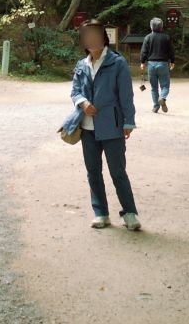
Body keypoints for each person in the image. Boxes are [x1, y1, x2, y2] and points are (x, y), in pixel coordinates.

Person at [71, 19, 141, 230]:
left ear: (104, 38)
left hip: (113, 127)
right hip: (87, 128)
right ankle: (100, 213)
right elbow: (75, 91)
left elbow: (126, 95)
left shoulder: (117, 63)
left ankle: (129, 213)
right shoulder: (81, 65)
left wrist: (129, 121)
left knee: (118, 172)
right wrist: (83, 103)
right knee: (93, 172)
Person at [140, 17, 176, 113]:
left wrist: (142, 62)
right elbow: (171, 51)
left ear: (151, 27)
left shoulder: (148, 37)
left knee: (154, 88)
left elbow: (144, 51)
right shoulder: (166, 37)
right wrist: (172, 61)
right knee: (165, 86)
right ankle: (162, 97)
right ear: (161, 27)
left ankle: (156, 106)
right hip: (163, 64)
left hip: (151, 64)